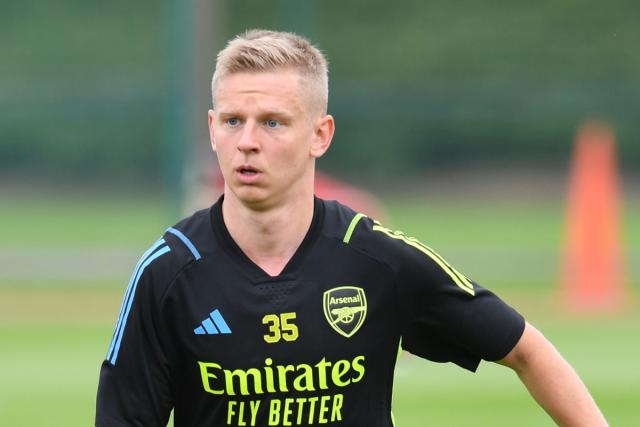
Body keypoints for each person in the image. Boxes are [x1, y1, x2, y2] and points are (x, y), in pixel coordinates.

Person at [96, 29, 608, 427]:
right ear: (212, 129)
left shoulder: (379, 261)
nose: (247, 141)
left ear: (320, 134)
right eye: (233, 121)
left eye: (273, 122)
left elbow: (527, 350)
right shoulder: (168, 273)